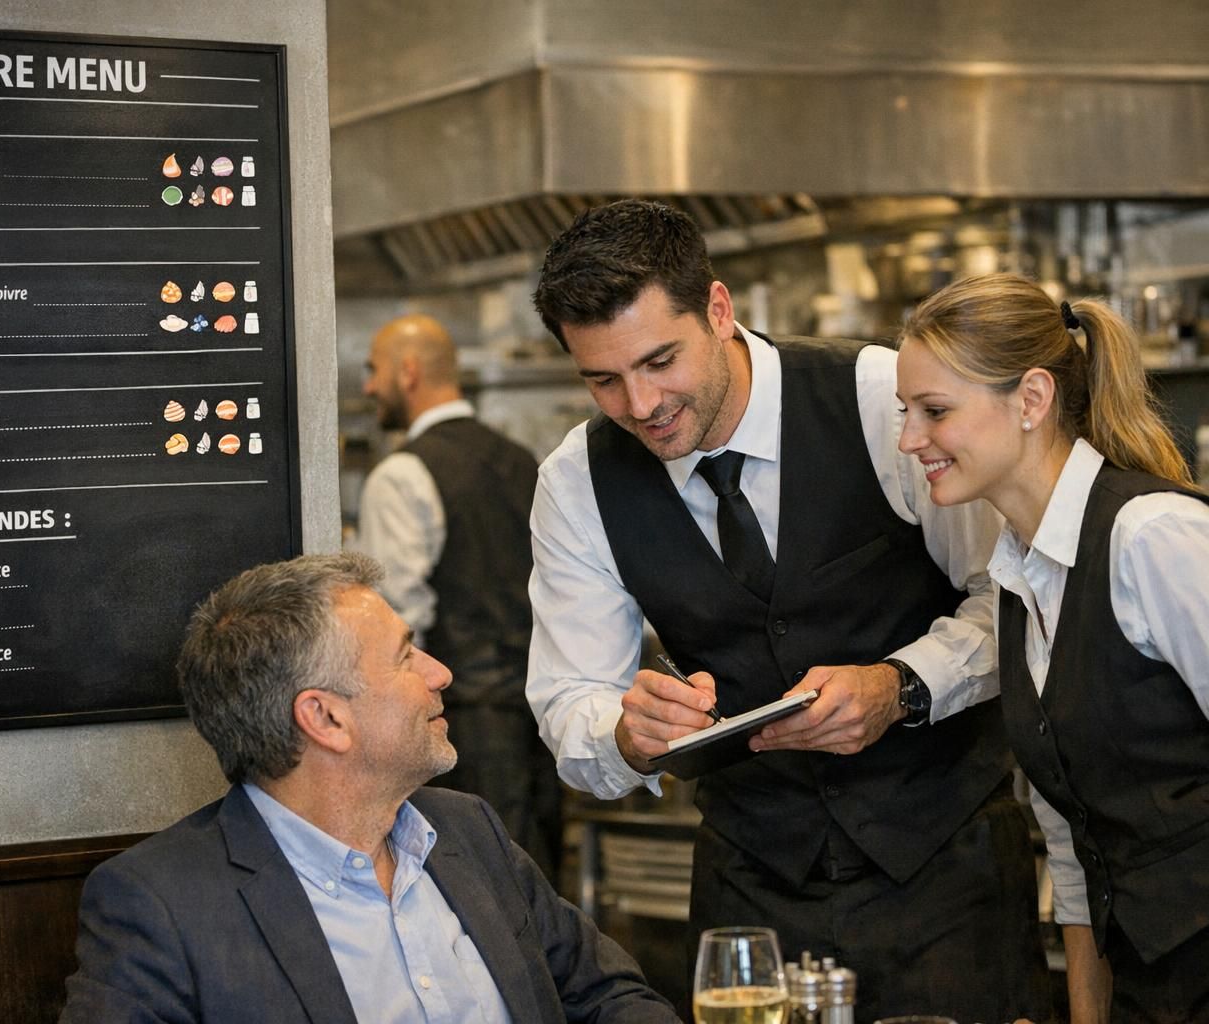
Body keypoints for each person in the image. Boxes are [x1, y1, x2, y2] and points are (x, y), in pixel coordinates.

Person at [526, 200, 1052, 1024]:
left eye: (661, 360)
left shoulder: (883, 400)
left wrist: (901, 685)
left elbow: (1010, 595)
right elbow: (569, 701)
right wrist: (626, 733)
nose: (640, 403)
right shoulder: (576, 482)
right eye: (602, 379)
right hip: (751, 889)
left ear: (719, 310)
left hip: (945, 870)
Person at [59, 552, 678, 1024]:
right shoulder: (159, 905)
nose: (442, 673)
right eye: (407, 656)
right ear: (325, 718)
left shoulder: (467, 830)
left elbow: (608, 996)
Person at [897, 273, 1209, 1024]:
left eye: (934, 411)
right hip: (1149, 988)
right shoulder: (1016, 578)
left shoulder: (1152, 537)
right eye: (904, 413)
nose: (910, 440)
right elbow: (1075, 849)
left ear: (1032, 399)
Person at [356, 313, 562, 876]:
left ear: (409, 371)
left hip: (461, 726)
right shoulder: (523, 461)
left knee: (479, 892)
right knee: (538, 885)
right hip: (542, 720)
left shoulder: (401, 474)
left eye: (374, 371)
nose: (369, 386)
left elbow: (397, 622)